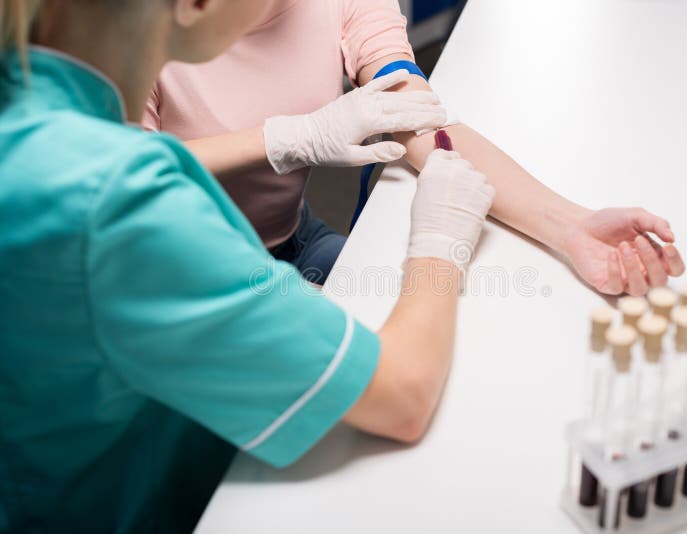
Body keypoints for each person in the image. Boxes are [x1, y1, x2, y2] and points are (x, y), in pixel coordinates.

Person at [0, 0, 494, 532]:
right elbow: (403, 393)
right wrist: (441, 245)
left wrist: (567, 225)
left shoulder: (40, 123)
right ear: (195, 5)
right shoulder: (118, 202)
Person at [145, 0, 686, 295]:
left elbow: (423, 124)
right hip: (180, 268)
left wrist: (570, 226)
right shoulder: (132, 24)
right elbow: (118, 172)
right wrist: (282, 140)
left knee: (375, 297)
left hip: (288, 235)